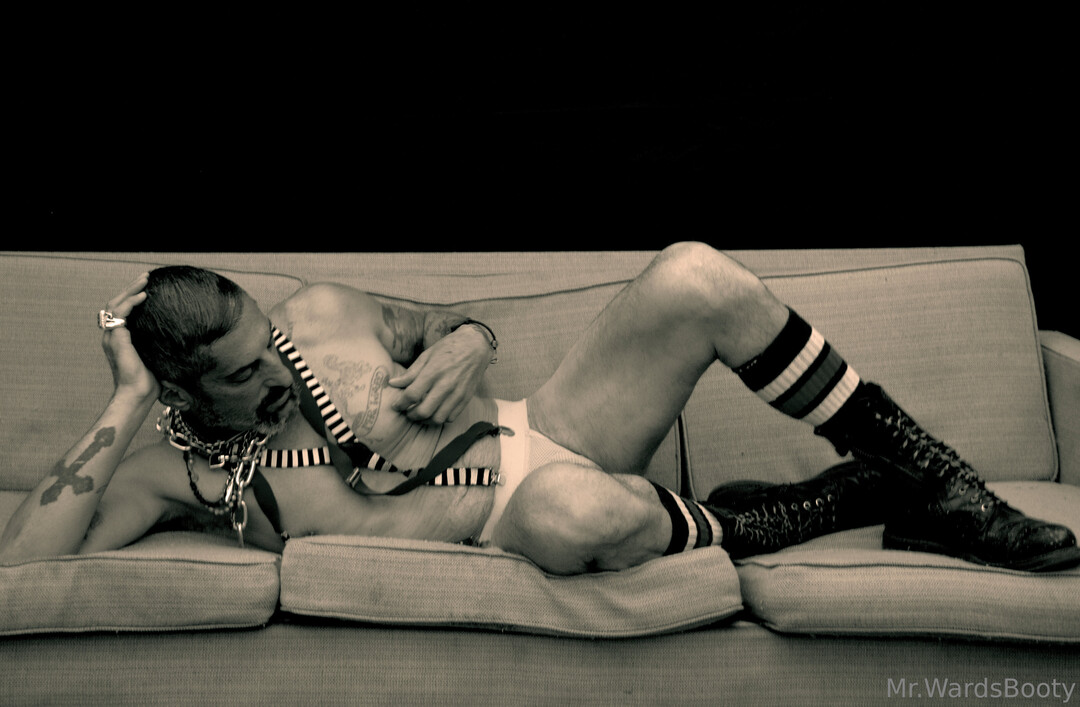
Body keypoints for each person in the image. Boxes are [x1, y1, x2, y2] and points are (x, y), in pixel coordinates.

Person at [1, 243, 1077, 575]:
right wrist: (126, 395)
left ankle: (941, 485)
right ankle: (822, 505)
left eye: (262, 339)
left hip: (550, 422)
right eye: (241, 375)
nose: (273, 369)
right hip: (513, 515)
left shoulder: (317, 313)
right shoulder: (174, 468)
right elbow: (22, 566)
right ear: (180, 389)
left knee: (694, 273)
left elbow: (442, 319)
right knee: (579, 512)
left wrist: (467, 340)